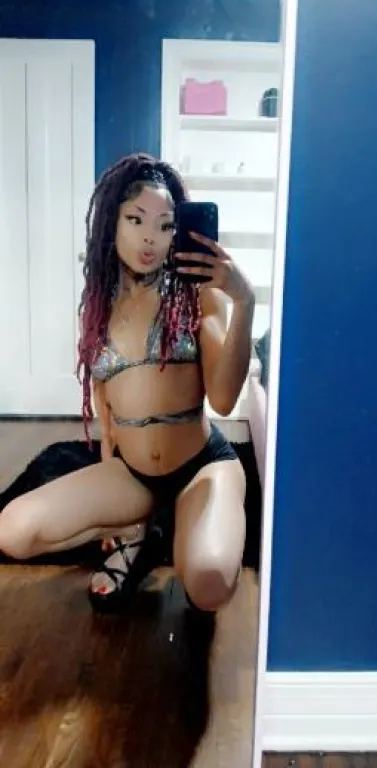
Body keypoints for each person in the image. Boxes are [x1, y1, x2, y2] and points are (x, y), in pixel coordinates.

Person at [0, 153, 254, 614]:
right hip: (133, 475)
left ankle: (186, 527)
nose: (149, 238)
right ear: (111, 223)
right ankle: (137, 531)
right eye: (136, 220)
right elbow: (106, 404)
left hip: (200, 466)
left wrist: (245, 300)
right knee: (12, 531)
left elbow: (222, 399)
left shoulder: (198, 294)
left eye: (165, 225)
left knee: (208, 584)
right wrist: (110, 485)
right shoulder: (99, 304)